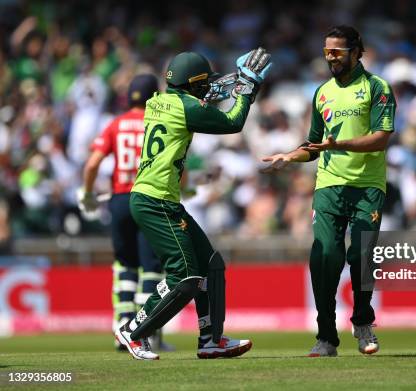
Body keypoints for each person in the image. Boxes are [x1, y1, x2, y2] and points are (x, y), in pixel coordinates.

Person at [114, 49, 271, 360]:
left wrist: (218, 89)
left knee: (211, 265)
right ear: (195, 84)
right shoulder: (186, 107)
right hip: (154, 200)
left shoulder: (158, 102)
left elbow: (195, 101)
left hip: (159, 198)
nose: (208, 87)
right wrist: (246, 90)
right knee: (184, 278)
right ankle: (133, 330)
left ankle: (210, 339)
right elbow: (232, 122)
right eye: (205, 83)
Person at [262, 25, 396, 357]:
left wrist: (341, 144)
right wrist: (292, 155)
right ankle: (326, 337)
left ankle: (363, 321)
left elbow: (381, 137)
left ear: (356, 51)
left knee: (361, 255)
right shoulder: (322, 93)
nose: (331, 58)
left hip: (367, 186)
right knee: (324, 257)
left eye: (337, 51)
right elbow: (315, 145)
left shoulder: (376, 88)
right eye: (327, 52)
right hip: (329, 186)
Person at [79, 74, 173, 352]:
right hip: (148, 199)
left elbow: (92, 164)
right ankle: (146, 331)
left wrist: (86, 194)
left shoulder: (115, 125)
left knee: (125, 264)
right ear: (154, 97)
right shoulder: (158, 123)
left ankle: (122, 322)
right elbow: (177, 164)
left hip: (119, 200)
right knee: (152, 268)